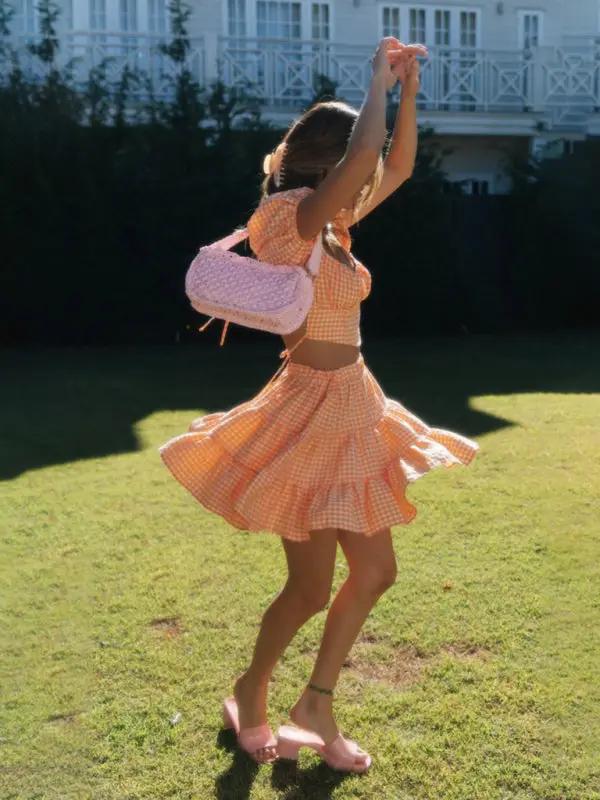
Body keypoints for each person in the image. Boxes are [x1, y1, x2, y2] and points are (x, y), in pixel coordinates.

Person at [158, 37, 479, 773]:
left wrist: (408, 90)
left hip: (355, 405)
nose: (361, 170)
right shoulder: (287, 218)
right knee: (308, 588)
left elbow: (395, 166)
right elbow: (366, 161)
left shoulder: (333, 226)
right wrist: (375, 83)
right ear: (327, 161)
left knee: (375, 571)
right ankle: (251, 689)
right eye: (351, 156)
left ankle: (315, 704)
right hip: (307, 413)